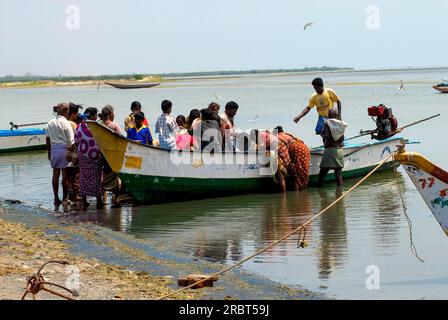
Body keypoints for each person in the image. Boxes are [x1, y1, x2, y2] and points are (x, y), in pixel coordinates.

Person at [46, 103, 75, 206]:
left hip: (54, 149)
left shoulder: (50, 122)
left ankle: (55, 198)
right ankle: (64, 199)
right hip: (64, 149)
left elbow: (48, 139)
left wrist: (49, 152)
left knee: (55, 174)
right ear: (65, 112)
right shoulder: (66, 123)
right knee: (65, 176)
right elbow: (71, 141)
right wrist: (72, 154)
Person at [75, 107, 104, 210]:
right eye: (96, 115)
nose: (97, 117)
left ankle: (84, 201)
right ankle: (99, 201)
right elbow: (101, 140)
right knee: (96, 177)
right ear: (92, 116)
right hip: (94, 154)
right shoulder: (95, 126)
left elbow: (77, 141)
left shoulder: (78, 126)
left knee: (84, 176)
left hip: (82, 154)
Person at [318, 109, 346, 187]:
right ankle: (340, 195)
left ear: (328, 115)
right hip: (339, 150)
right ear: (336, 115)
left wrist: (322, 134)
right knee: (338, 174)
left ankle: (321, 192)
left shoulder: (327, 124)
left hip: (330, 150)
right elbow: (342, 138)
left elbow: (329, 137)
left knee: (322, 173)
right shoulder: (340, 124)